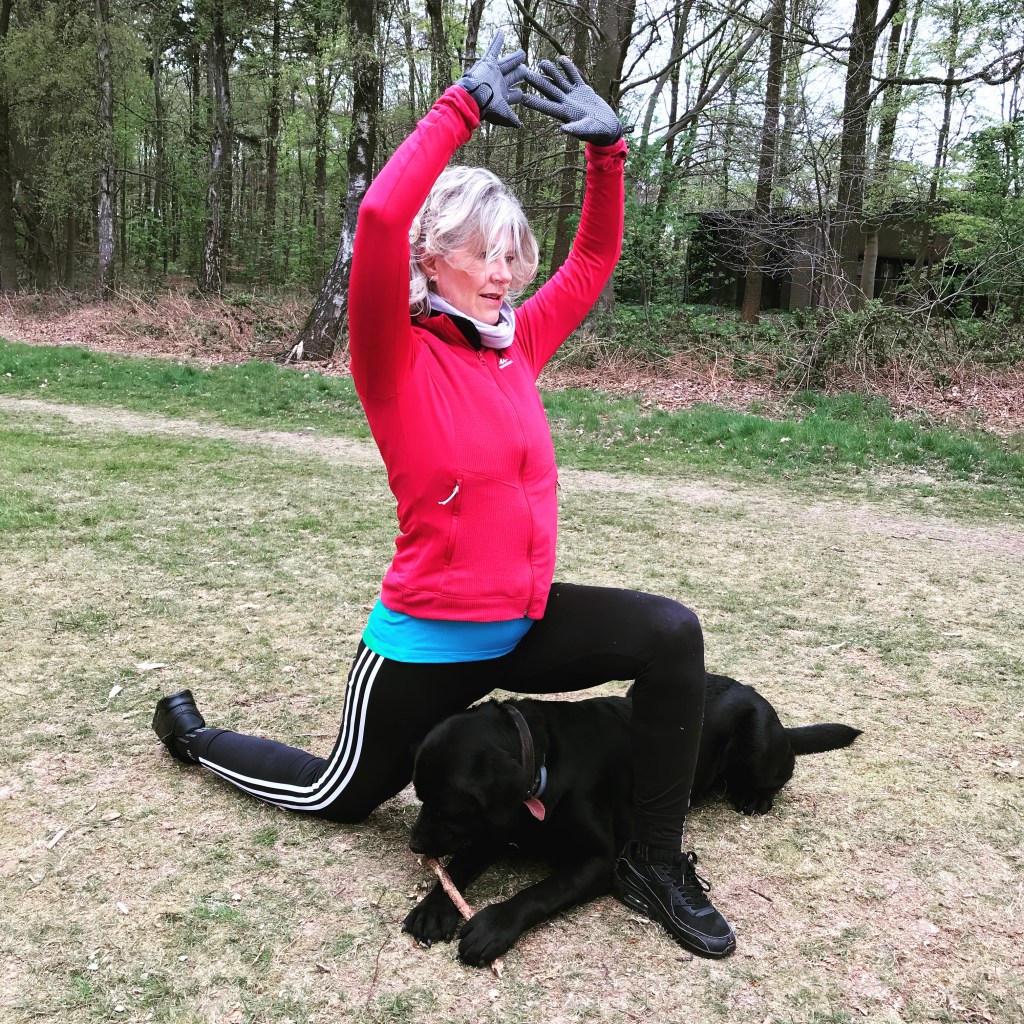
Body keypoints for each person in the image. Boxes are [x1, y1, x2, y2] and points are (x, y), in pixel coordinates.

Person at [152, 33, 735, 960]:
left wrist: (609, 153)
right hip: (429, 640)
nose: (505, 274)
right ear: (432, 259)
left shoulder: (515, 344)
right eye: (483, 255)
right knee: (341, 797)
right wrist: (460, 105)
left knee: (672, 635)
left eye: (513, 256)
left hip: (523, 623)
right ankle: (195, 738)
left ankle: (655, 862)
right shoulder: (394, 355)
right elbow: (382, 214)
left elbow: (591, 263)